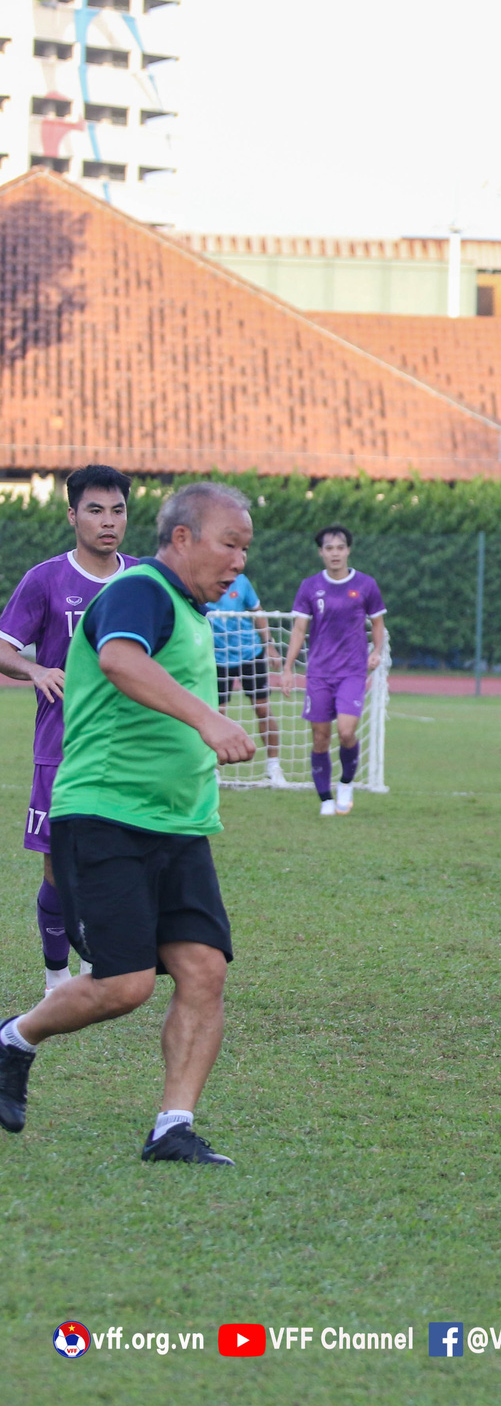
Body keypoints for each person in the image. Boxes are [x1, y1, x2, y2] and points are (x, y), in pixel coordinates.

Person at [0, 481, 259, 1164]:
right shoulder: (142, 589)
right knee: (125, 983)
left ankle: (172, 1126)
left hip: (178, 824)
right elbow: (119, 658)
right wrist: (209, 718)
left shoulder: (194, 612)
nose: (239, 561)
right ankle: (13, 1038)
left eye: (245, 548)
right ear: (181, 538)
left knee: (204, 970)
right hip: (106, 815)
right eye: (229, 544)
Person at [0, 465, 137, 994]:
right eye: (95, 510)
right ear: (72, 515)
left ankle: (99, 961)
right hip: (61, 748)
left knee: (115, 863)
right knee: (58, 868)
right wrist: (35, 670)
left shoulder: (143, 579)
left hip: (128, 750)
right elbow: (5, 648)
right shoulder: (46, 579)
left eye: (118, 510)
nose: (108, 521)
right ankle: (56, 974)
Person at [280, 526, 387, 817]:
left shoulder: (366, 585)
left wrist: (376, 651)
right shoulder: (309, 587)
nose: (335, 553)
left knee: (347, 731)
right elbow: (299, 628)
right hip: (319, 673)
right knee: (320, 737)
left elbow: (377, 623)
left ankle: (346, 783)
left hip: (352, 671)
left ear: (348, 550)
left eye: (340, 547)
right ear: (321, 553)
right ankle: (325, 798)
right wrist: (288, 667)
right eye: (329, 548)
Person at [207, 569, 284, 785]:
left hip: (249, 653)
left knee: (262, 708)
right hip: (217, 658)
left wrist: (269, 645)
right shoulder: (202, 579)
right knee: (216, 713)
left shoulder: (241, 582)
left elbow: (258, 612)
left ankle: (273, 766)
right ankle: (212, 769)